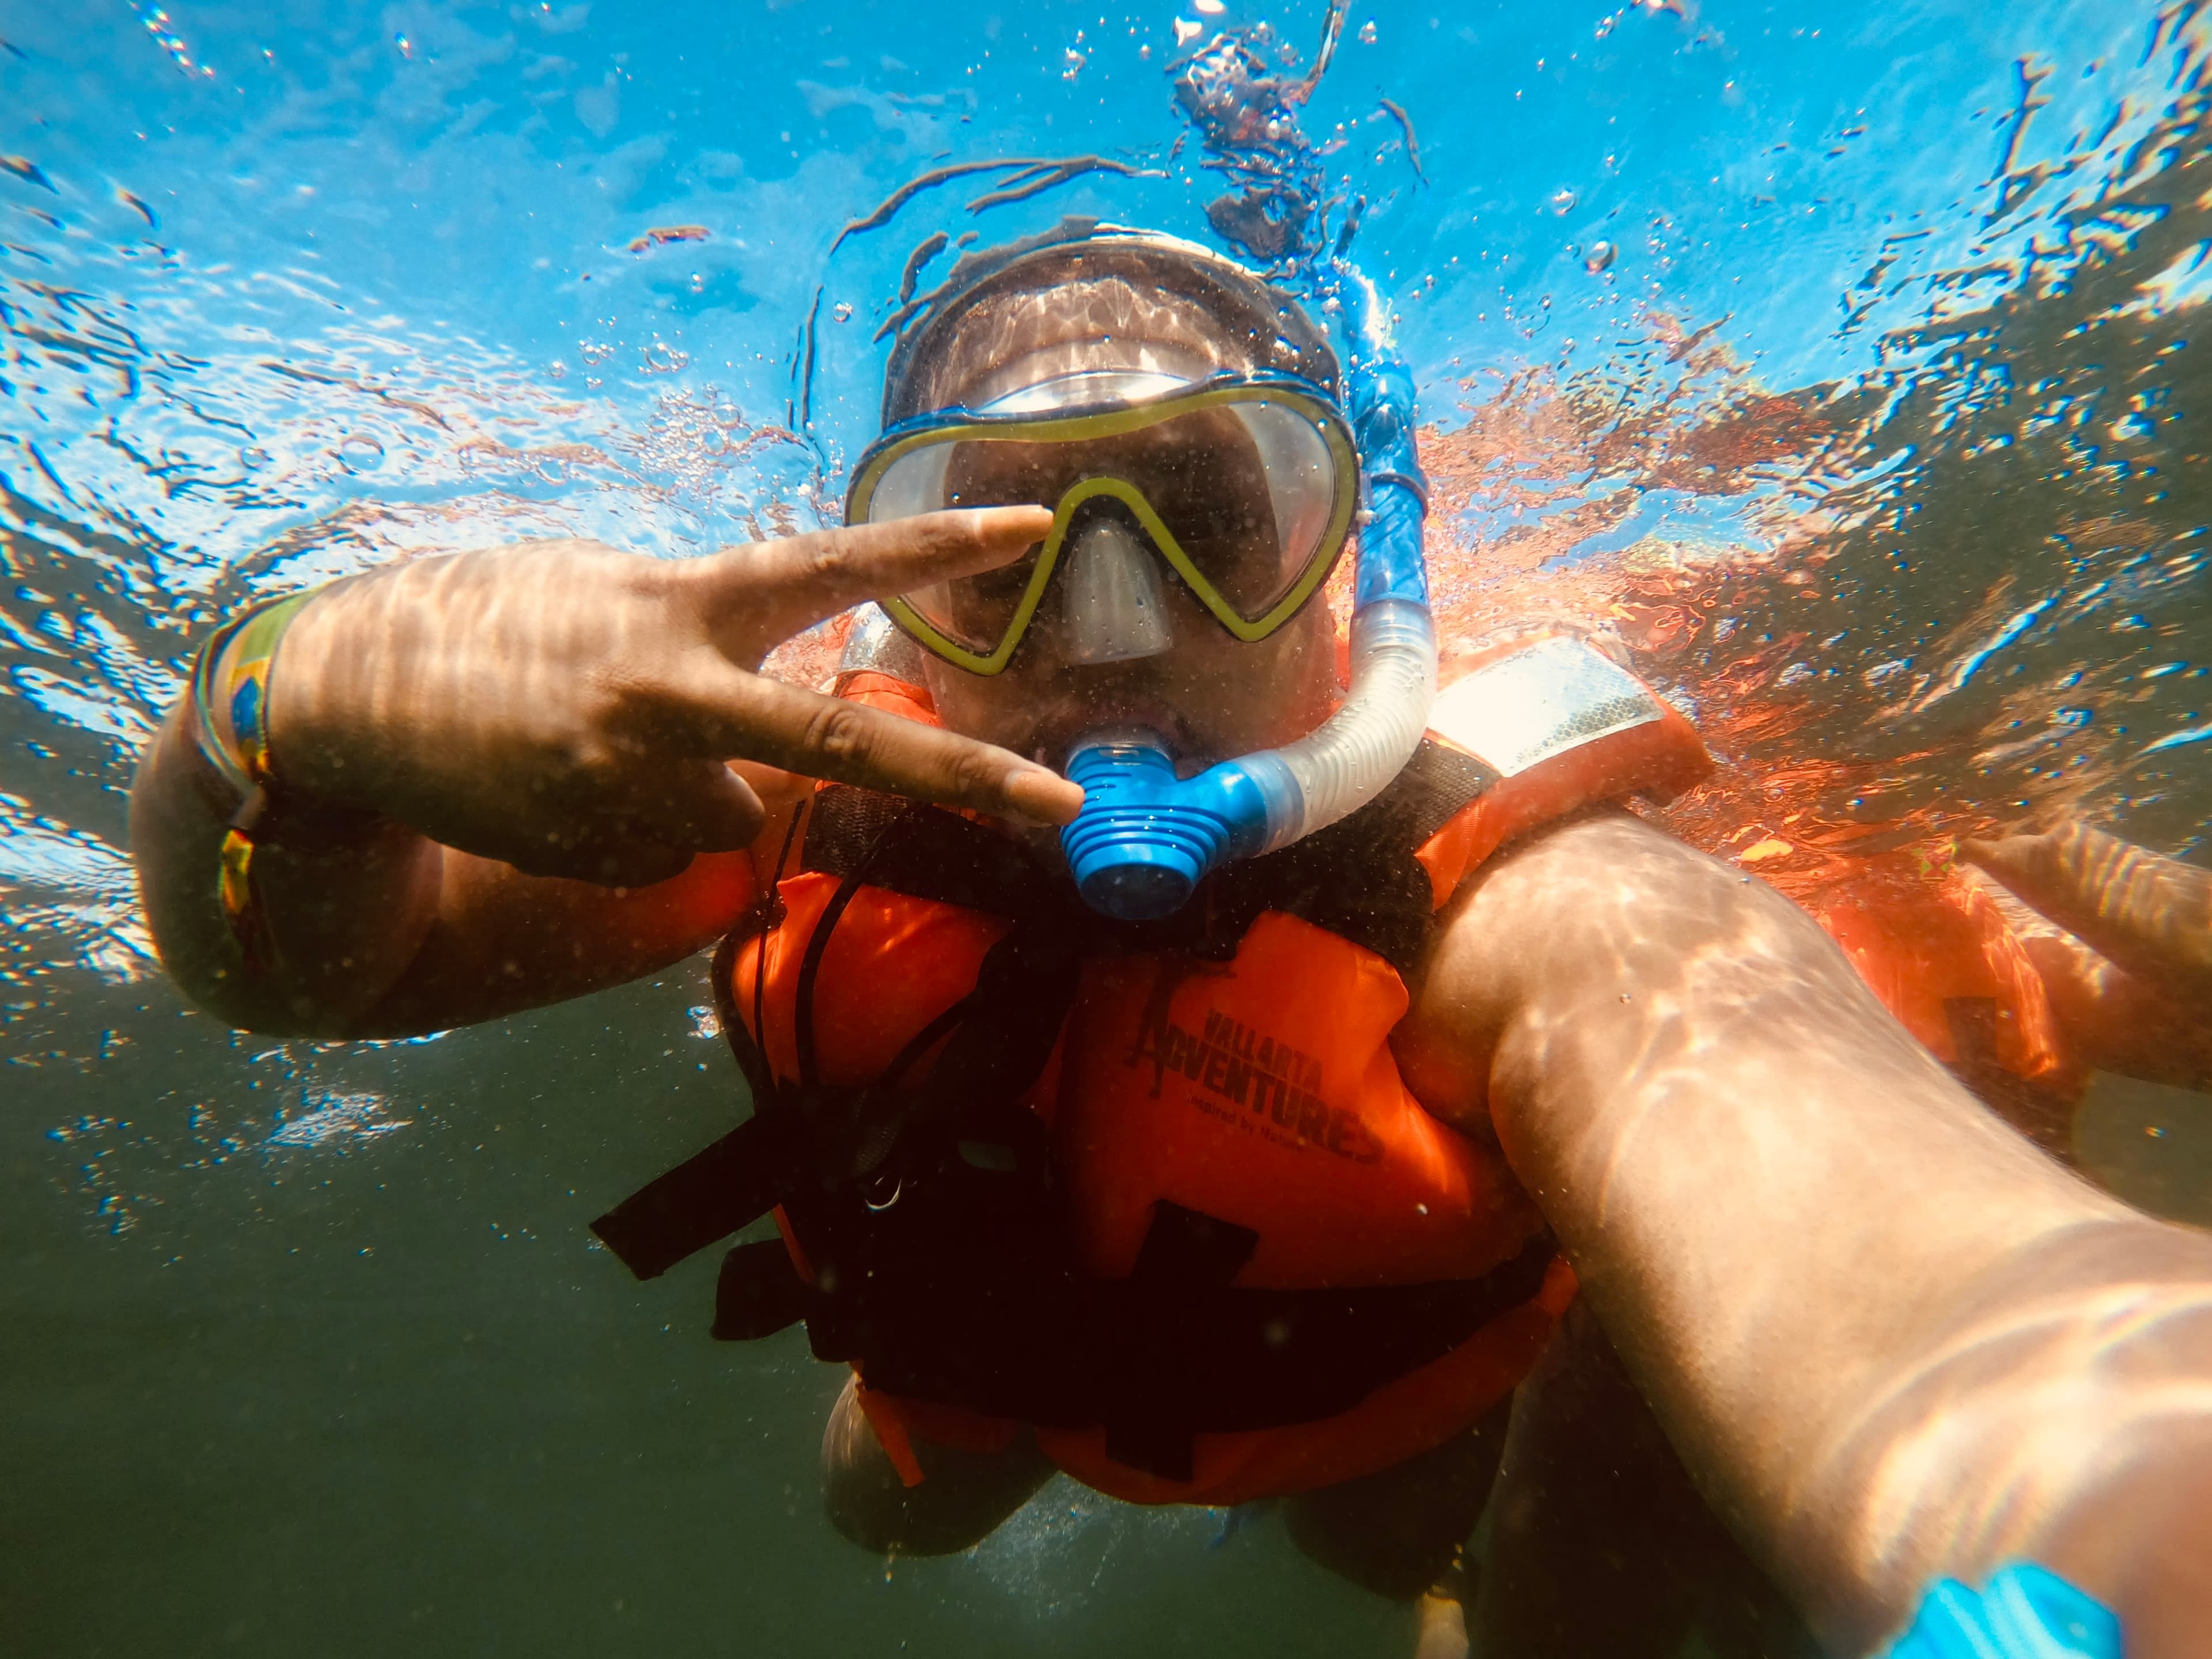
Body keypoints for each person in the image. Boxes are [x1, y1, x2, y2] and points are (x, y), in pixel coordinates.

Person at [131, 228, 2212, 1658]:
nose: (1105, 641)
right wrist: (281, 720)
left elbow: (1961, 1315)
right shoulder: (790, 797)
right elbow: (293, 976)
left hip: (1391, 1420)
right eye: (1006, 555)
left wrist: (2135, 1522)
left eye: (1207, 521)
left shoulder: (1542, 913)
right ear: (889, 590)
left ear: (1351, 574)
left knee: (1448, 1550)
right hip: (976, 1372)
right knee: (888, 1502)